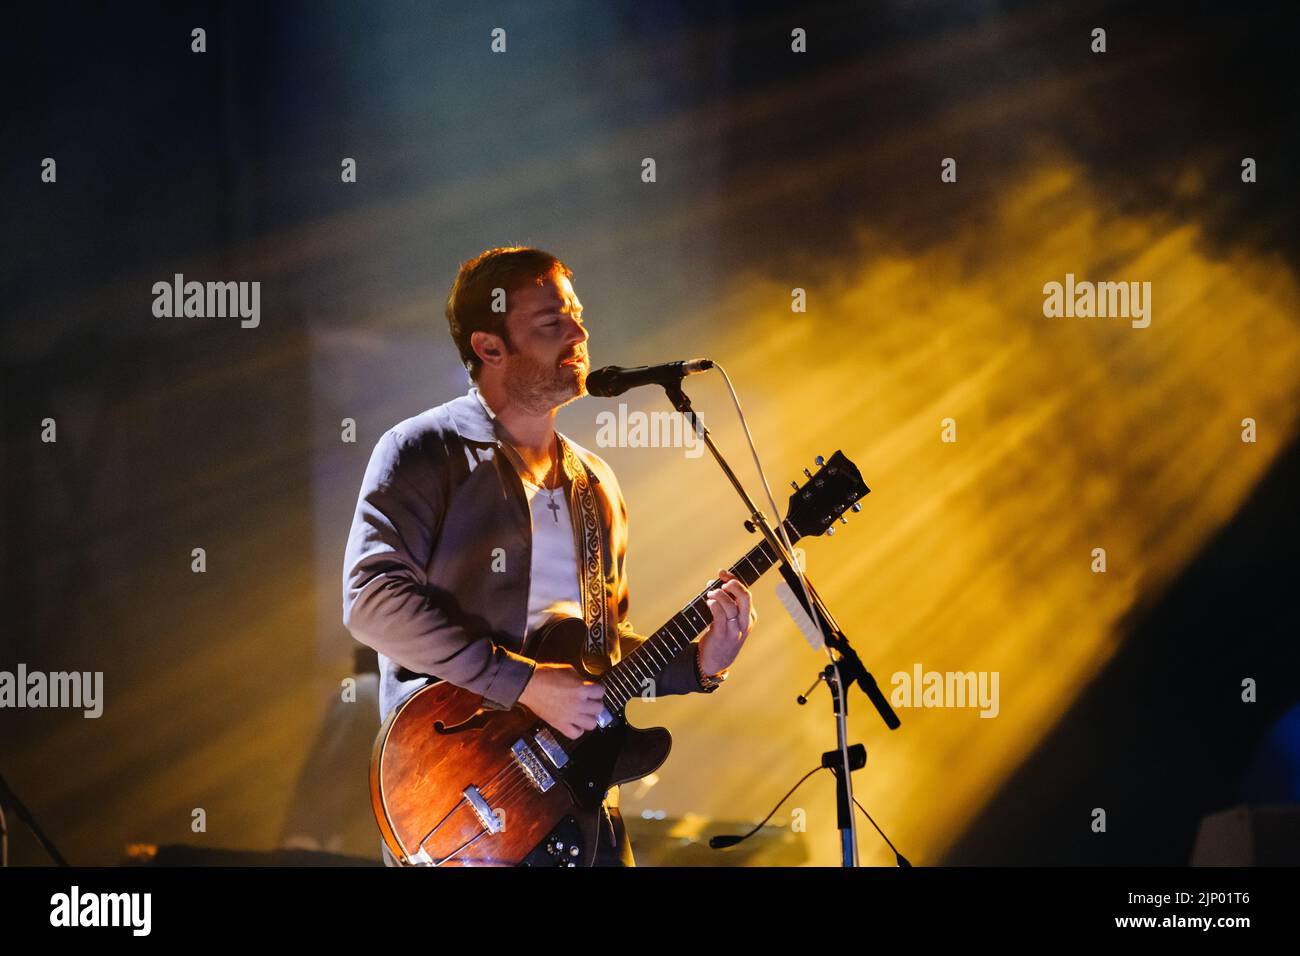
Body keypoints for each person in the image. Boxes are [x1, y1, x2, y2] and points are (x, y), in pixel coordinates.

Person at [342, 246, 757, 866]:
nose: (580, 333)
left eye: (578, 315)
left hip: (581, 811)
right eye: (552, 322)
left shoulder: (599, 485)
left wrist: (699, 663)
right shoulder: (423, 450)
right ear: (489, 348)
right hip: (463, 801)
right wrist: (527, 683)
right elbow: (372, 603)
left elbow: (601, 654)